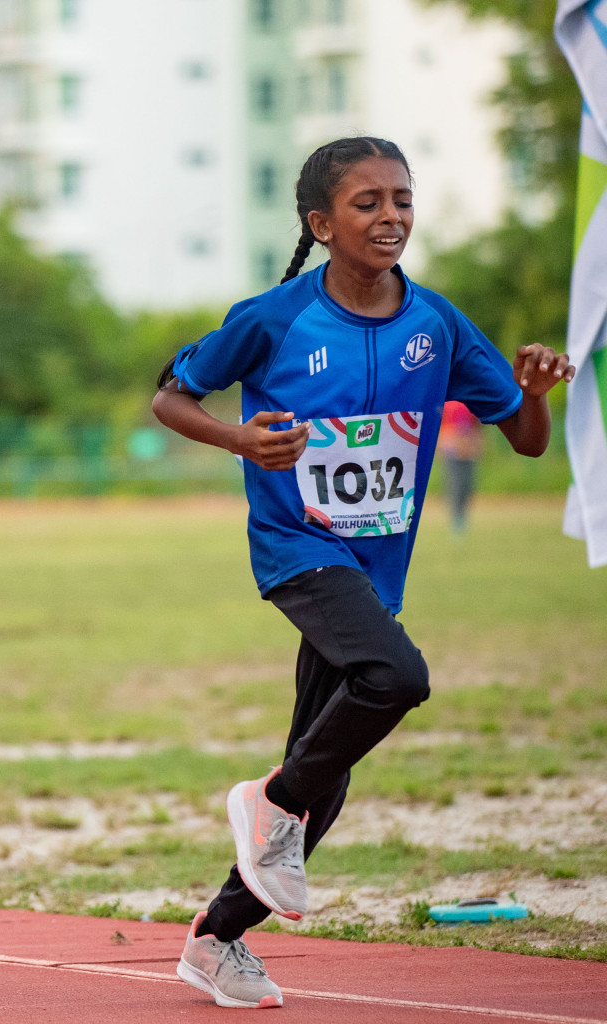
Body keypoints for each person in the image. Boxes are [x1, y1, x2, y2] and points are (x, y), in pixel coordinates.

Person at [151, 136, 572, 1009]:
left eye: (403, 200)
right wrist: (242, 438)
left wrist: (532, 391)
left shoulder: (438, 324)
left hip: (377, 565)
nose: (392, 217)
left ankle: (217, 937)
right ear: (321, 222)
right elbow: (170, 396)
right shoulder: (272, 317)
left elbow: (526, 438)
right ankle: (270, 799)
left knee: (326, 777)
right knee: (394, 676)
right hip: (299, 547)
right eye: (368, 202)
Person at [439, 400, 483, 533]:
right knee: (456, 485)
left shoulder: (471, 401)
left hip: (468, 450)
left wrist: (476, 443)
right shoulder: (447, 403)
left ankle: (463, 516)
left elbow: (476, 426)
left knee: (467, 485)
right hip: (452, 449)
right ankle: (456, 520)